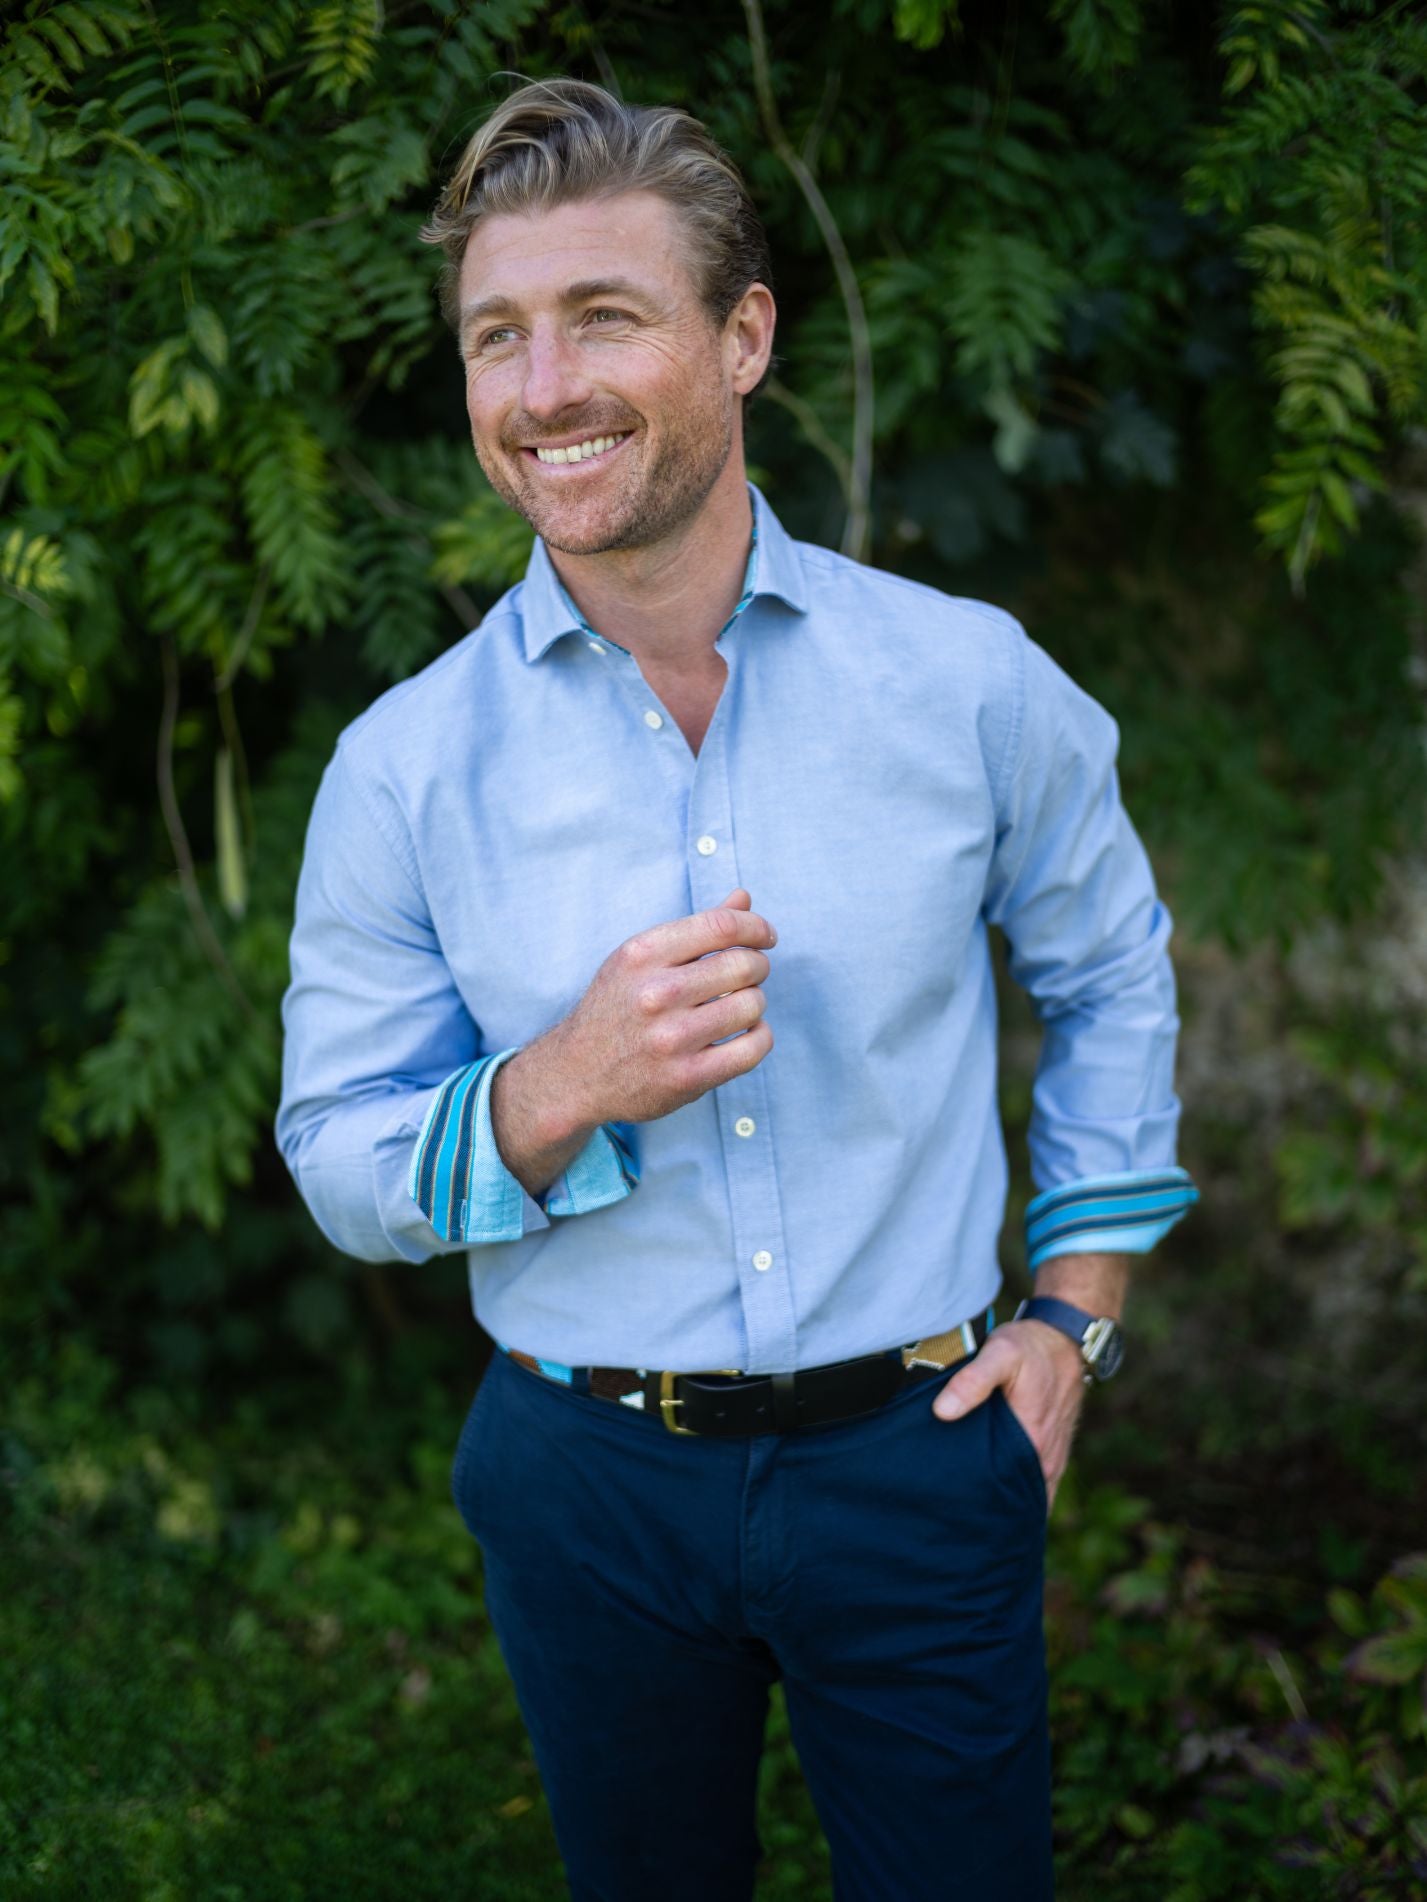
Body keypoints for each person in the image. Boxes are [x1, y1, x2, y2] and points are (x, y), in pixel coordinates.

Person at [275, 76, 1198, 1902]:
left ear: (745, 334)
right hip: (580, 1481)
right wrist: (560, 1084)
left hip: (924, 1460)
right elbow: (339, 1151)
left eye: (602, 317)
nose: (543, 390)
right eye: (496, 338)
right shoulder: (399, 772)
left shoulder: (970, 683)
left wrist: (1075, 1316)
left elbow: (1110, 972)